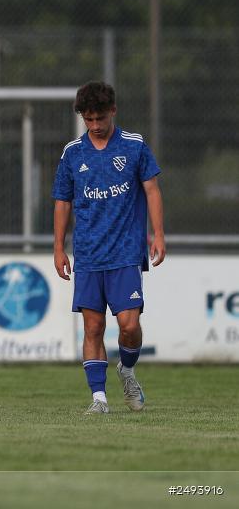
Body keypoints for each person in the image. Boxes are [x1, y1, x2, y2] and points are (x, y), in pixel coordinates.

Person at [52, 81, 165, 415]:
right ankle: (99, 399)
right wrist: (58, 248)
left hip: (126, 252)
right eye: (89, 120)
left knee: (129, 325)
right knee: (93, 327)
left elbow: (152, 190)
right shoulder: (72, 153)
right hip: (87, 254)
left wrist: (158, 234)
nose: (95, 125)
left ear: (113, 111)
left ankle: (127, 370)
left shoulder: (134, 146)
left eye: (100, 118)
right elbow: (62, 200)